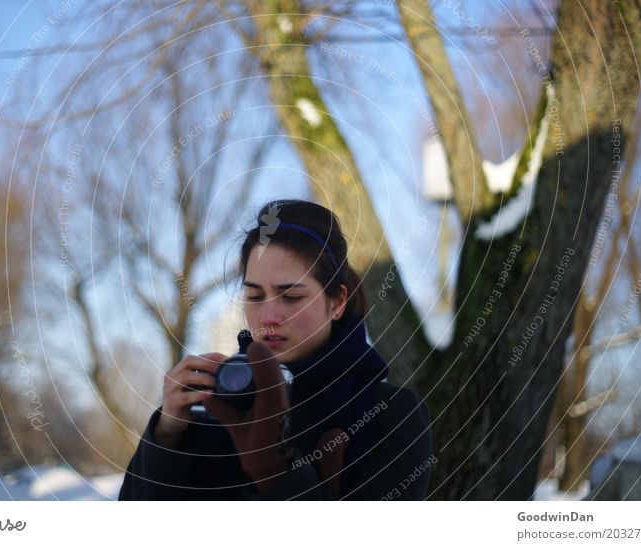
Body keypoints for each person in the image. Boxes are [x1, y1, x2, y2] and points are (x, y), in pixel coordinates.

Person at [118, 199, 432, 500]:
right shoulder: (216, 406)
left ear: (336, 303)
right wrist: (167, 436)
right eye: (255, 297)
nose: (268, 317)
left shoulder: (390, 414)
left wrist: (275, 469)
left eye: (291, 296)